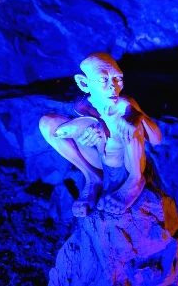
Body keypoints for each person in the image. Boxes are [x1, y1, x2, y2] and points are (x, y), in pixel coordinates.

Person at [39, 52, 162, 218]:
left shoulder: (124, 104)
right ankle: (92, 178)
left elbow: (156, 139)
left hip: (125, 161)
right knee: (47, 123)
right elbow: (92, 132)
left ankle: (135, 180)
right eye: (104, 79)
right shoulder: (84, 105)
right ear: (84, 83)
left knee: (131, 121)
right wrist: (88, 132)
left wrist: (137, 116)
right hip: (101, 159)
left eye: (118, 78)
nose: (113, 86)